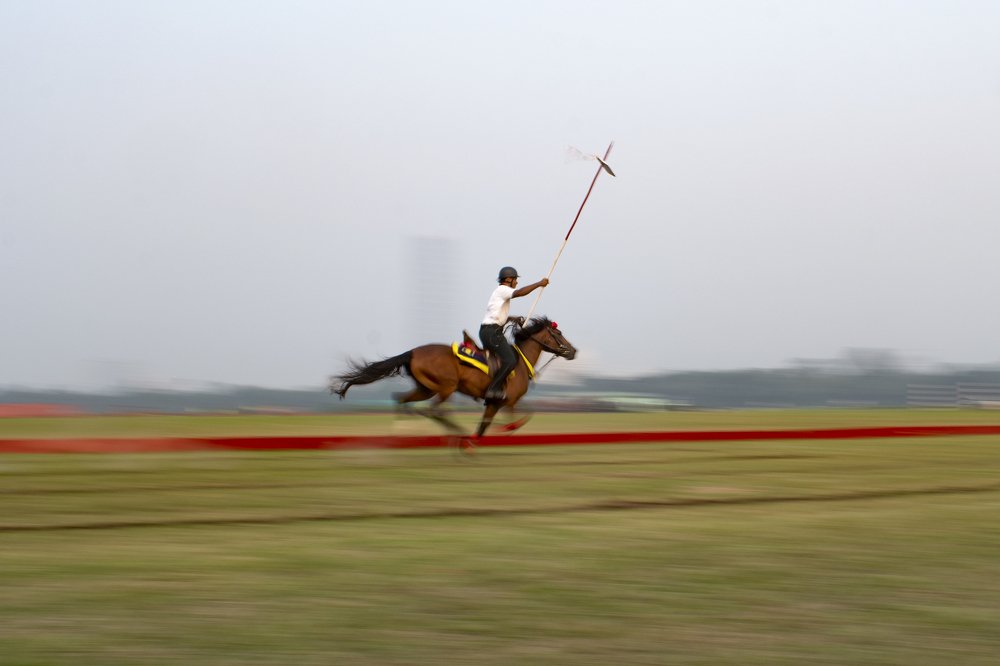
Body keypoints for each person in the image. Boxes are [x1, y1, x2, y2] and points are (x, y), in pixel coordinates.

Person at [479, 266, 549, 400]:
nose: (516, 282)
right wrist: (539, 284)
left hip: (489, 331)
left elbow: (496, 315)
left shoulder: (500, 293)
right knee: (510, 360)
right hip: (492, 333)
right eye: (515, 280)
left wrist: (513, 319)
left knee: (509, 356)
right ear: (508, 279)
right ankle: (493, 390)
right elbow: (520, 293)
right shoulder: (503, 290)